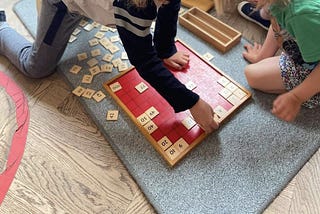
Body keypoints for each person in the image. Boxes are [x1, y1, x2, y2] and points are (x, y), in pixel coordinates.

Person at [0, 0, 219, 133]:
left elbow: (170, 6)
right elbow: (144, 60)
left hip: (107, 6)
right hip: (63, 6)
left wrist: (165, 48)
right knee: (35, 67)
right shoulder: (133, 6)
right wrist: (191, 101)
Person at [241, 0, 320, 122]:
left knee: (252, 75)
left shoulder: (301, 15)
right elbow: (277, 25)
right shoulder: (280, 4)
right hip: (308, 42)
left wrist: (297, 96)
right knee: (255, 71)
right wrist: (261, 57)